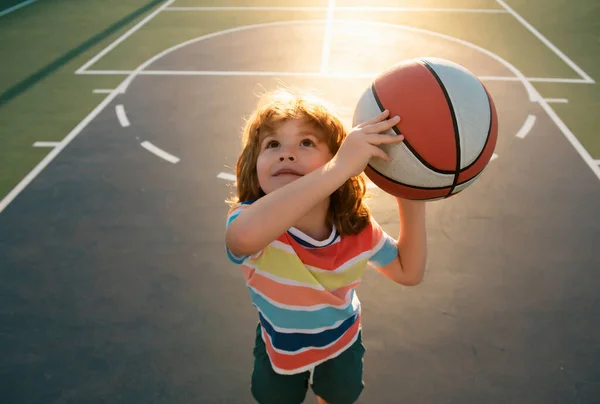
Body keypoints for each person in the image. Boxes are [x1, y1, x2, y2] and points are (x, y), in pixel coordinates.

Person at [224, 89, 428, 404]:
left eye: (306, 142)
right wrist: (339, 168)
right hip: (279, 346)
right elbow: (242, 239)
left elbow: (407, 271)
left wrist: (411, 188)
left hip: (342, 342)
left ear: (336, 156)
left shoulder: (357, 229)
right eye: (272, 144)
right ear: (255, 163)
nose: (286, 153)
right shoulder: (252, 221)